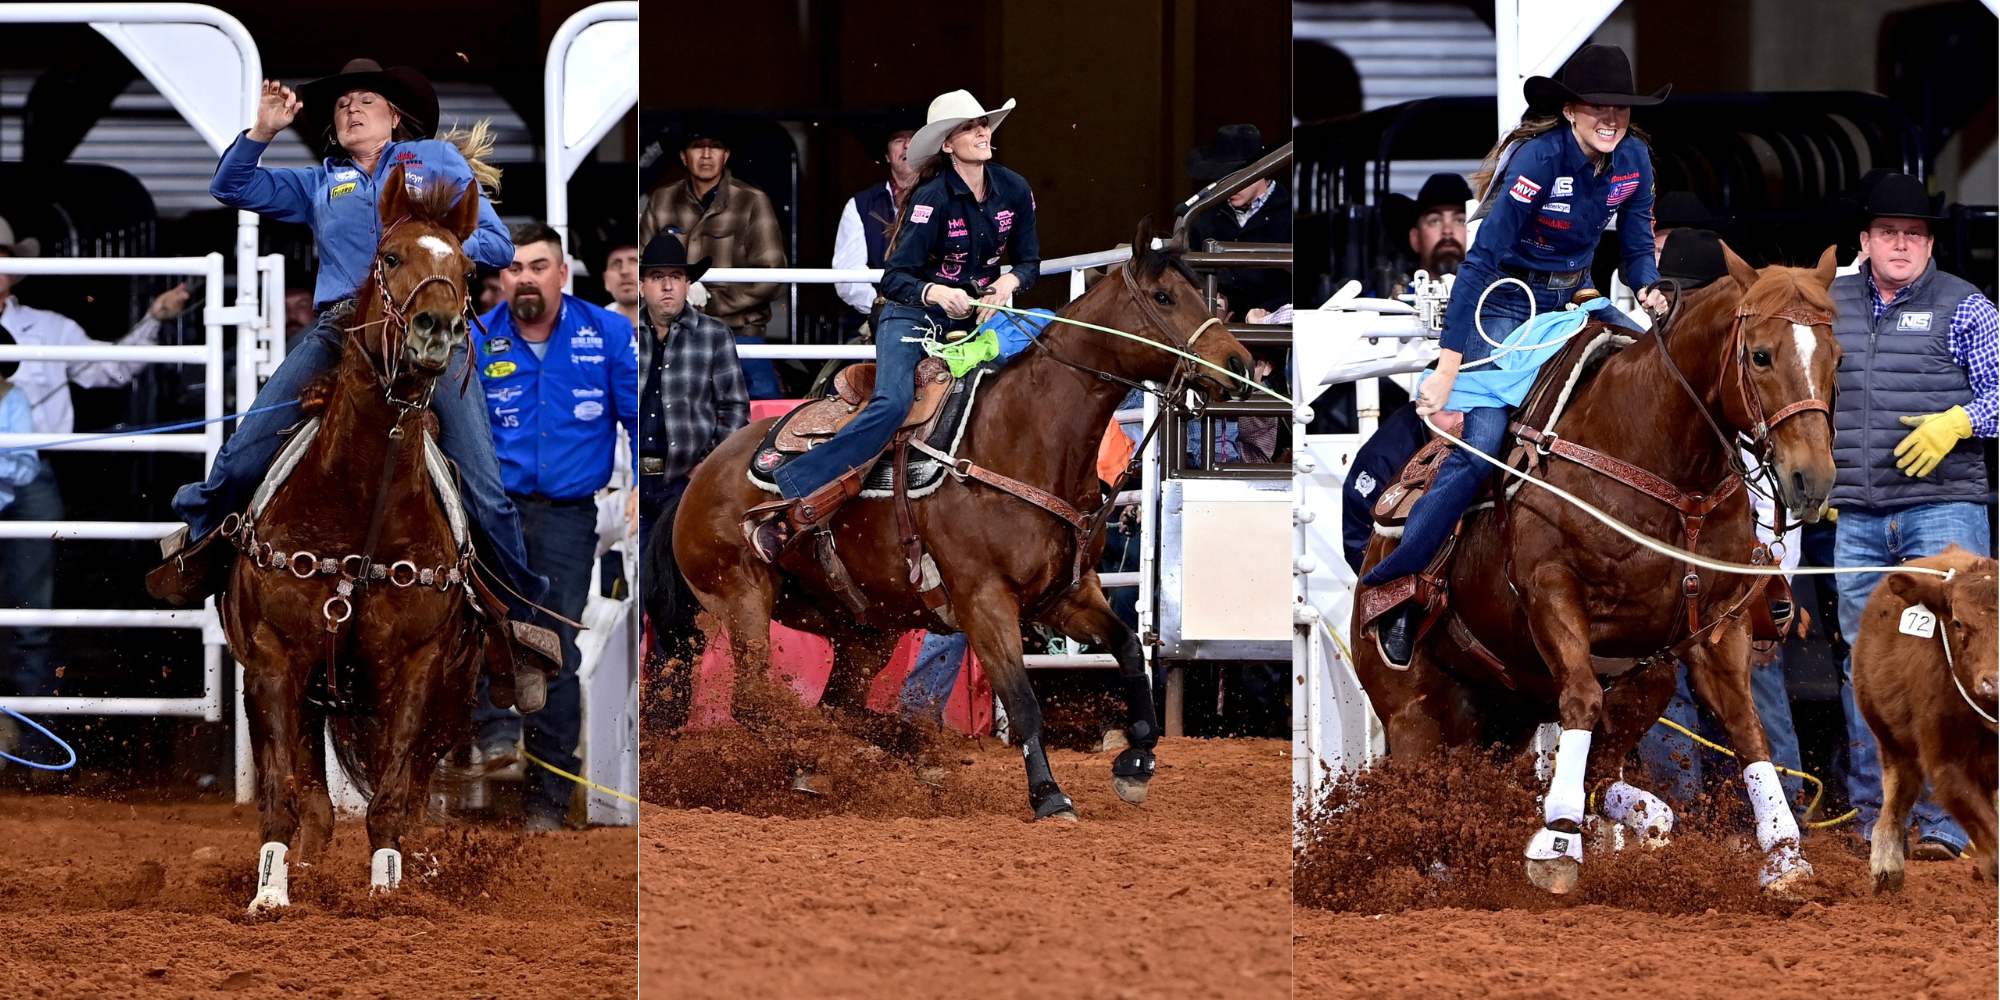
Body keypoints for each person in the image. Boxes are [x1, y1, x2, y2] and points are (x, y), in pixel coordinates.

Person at [154, 59, 556, 686]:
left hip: (430, 331)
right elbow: (232, 188)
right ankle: (203, 548)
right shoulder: (322, 181)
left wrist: (431, 250)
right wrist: (260, 131)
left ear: (395, 117)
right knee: (249, 441)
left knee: (483, 481)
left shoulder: (435, 162)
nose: (351, 109)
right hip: (344, 328)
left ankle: (524, 623)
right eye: (342, 104)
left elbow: (498, 247)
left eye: (366, 100)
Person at [1360, 43, 1671, 666]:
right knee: (1483, 441)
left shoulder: (1634, 159)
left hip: (1578, 301)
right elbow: (1481, 259)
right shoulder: (1536, 158)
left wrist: (1648, 289)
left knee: (1658, 383)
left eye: (1621, 108)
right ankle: (1399, 585)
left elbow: (1636, 247)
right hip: (1506, 304)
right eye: (1597, 106)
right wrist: (1449, 363)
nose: (1610, 118)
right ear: (1571, 110)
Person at [741, 90, 1039, 560]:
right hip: (913, 314)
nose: (982, 132)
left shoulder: (1014, 188)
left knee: (1039, 379)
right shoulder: (930, 198)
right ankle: (796, 490)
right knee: (894, 399)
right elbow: (896, 277)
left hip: (982, 317)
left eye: (984, 124)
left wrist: (1008, 283)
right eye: (969, 127)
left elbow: (1030, 260)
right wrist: (936, 292)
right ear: (946, 144)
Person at [1828, 171, 1996, 861]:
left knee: (1963, 657)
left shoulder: (1966, 308)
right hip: (1860, 511)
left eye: (1915, 234)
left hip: (1945, 507)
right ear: (1865, 242)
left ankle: (1955, 823)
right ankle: (1883, 814)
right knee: (1867, 665)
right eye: (1888, 233)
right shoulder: (1830, 301)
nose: (1902, 244)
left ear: (1929, 243)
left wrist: (1960, 419)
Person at [471, 222, 639, 830]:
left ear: (561, 274)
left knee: (553, 648)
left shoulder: (608, 332)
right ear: (501, 277)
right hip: (491, 514)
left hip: (569, 517)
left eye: (537, 266)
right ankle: (490, 741)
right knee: (478, 631)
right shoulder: (476, 336)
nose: (525, 278)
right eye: (514, 268)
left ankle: (547, 795)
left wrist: (643, 480)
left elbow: (637, 416)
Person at [0, 215, 190, 698]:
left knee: (31, 606)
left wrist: (153, 319)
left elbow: (109, 368)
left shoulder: (47, 328)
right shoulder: (42, 328)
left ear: (12, 269)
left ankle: (39, 743)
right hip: (29, 473)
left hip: (29, 473)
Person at [636, 230, 749, 549]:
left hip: (687, 480)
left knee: (680, 576)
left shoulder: (714, 335)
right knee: (641, 579)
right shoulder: (625, 334)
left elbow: (736, 409)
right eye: (657, 276)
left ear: (688, 284)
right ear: (643, 286)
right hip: (633, 479)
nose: (668, 285)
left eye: (676, 276)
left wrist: (707, 467)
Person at [639, 120, 787, 341]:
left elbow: (770, 275)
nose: (707, 154)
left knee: (760, 378)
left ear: (725, 155)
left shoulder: (753, 201)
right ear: (683, 156)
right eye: (698, 146)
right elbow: (641, 263)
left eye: (715, 146)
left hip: (739, 332)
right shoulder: (662, 200)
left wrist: (710, 303)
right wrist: (678, 297)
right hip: (672, 330)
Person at [1185, 125, 1291, 318]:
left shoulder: (1290, 215)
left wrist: (1271, 314)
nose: (1230, 185)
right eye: (1222, 177)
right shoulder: (1202, 216)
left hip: (1276, 334)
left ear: (1261, 170)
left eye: (1238, 175)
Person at [833, 106, 926, 324]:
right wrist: (884, 309)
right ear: (886, 154)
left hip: (939, 318)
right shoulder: (860, 205)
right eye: (897, 139)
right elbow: (847, 278)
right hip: (876, 324)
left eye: (914, 138)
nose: (906, 145)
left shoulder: (949, 199)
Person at [603, 242, 640, 330]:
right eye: (616, 263)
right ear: (606, 280)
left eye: (634, 261)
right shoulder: (594, 330)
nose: (624, 271)